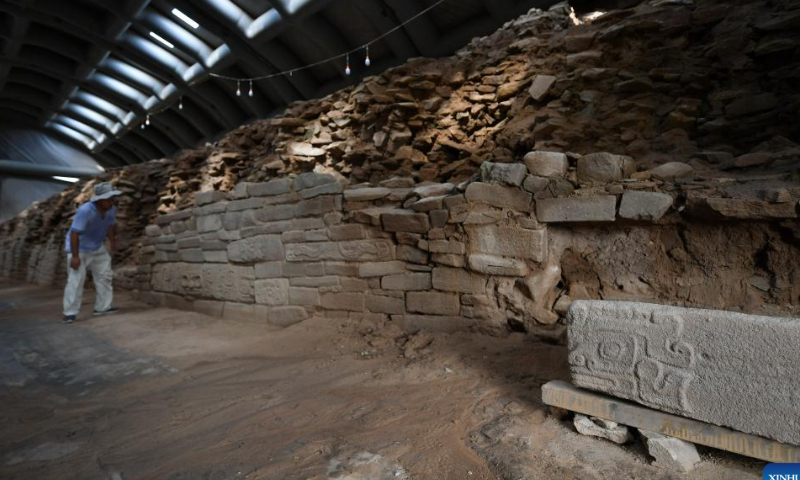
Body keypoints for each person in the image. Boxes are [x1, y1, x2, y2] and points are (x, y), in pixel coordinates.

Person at [62, 182, 122, 324]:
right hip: (79, 248)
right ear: (99, 200)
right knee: (76, 280)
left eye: (112, 198)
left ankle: (103, 307)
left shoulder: (111, 209)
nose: (111, 201)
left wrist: (112, 242)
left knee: (105, 276)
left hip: (96, 247)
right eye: (108, 199)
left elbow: (110, 225)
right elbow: (74, 234)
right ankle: (70, 313)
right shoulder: (85, 211)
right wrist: (75, 257)